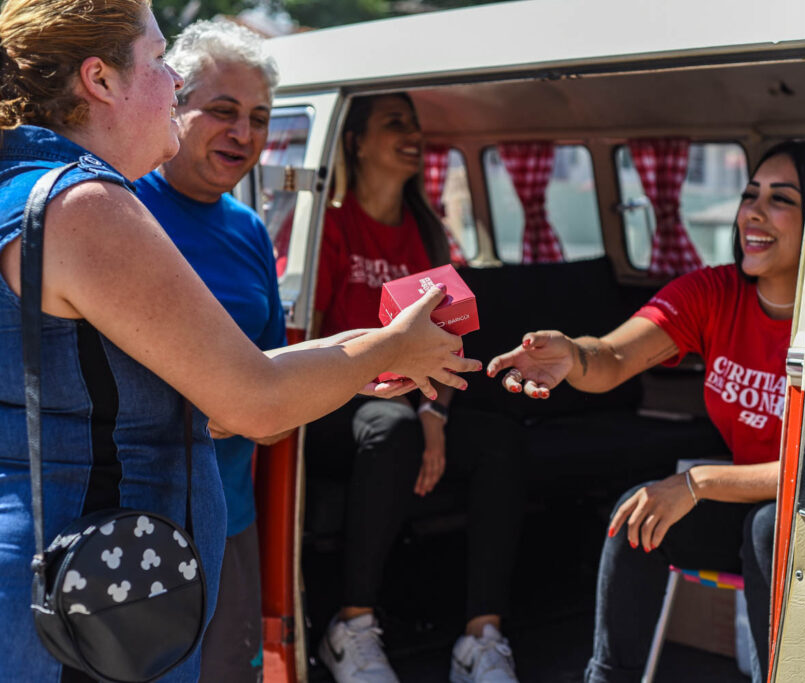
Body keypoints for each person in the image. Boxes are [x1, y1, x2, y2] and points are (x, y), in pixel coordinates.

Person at [0, 2, 478, 681]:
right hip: (92, 594)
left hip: (66, 574)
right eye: (159, 59)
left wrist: (376, 347)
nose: (173, 80)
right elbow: (253, 402)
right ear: (100, 79)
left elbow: (223, 385)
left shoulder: (20, 187)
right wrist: (390, 351)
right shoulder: (85, 207)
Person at [487, 141, 805, 683]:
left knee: (766, 529)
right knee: (636, 518)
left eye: (780, 199)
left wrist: (696, 483)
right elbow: (613, 356)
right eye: (749, 194)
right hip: (747, 499)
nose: (752, 213)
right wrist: (572, 354)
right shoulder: (714, 293)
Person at [308, 93, 524, 683]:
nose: (413, 135)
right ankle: (351, 626)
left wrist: (435, 414)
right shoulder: (331, 225)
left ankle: (481, 638)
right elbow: (307, 343)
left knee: (500, 439)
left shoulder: (426, 233)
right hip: (333, 400)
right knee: (392, 426)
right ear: (356, 141)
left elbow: (449, 344)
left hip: (411, 402)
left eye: (415, 125)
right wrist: (393, 399)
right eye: (394, 124)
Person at [133, 19, 284, 682]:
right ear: (174, 103)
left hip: (229, 518)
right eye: (223, 111)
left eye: (259, 118)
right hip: (134, 519)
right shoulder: (118, 206)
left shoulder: (250, 230)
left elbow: (273, 371)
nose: (243, 134)